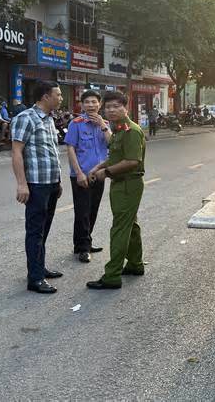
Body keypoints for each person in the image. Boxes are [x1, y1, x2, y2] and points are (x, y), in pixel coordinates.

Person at [86, 91, 146, 290]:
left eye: (115, 107)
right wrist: (99, 167)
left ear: (125, 108)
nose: (110, 111)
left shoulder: (131, 131)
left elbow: (132, 161)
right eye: (108, 107)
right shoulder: (119, 130)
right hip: (122, 184)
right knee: (131, 225)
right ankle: (135, 264)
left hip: (128, 184)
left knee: (120, 228)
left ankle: (112, 275)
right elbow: (116, 157)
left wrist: (107, 172)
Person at [10, 81, 64, 294]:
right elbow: (16, 152)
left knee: (44, 229)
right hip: (36, 185)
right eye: (58, 95)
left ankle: (39, 268)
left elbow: (50, 153)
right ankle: (35, 279)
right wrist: (22, 184)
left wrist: (57, 182)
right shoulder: (26, 118)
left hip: (50, 183)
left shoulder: (50, 119)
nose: (61, 98)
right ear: (45, 96)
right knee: (35, 231)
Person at [65, 90, 112, 263]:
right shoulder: (75, 124)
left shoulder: (105, 124)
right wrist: (78, 173)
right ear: (82, 105)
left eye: (94, 102)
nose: (91, 105)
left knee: (93, 209)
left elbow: (111, 143)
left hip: (98, 175)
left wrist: (102, 125)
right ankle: (83, 248)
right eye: (87, 102)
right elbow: (70, 149)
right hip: (82, 175)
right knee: (82, 211)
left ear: (99, 104)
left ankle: (86, 242)